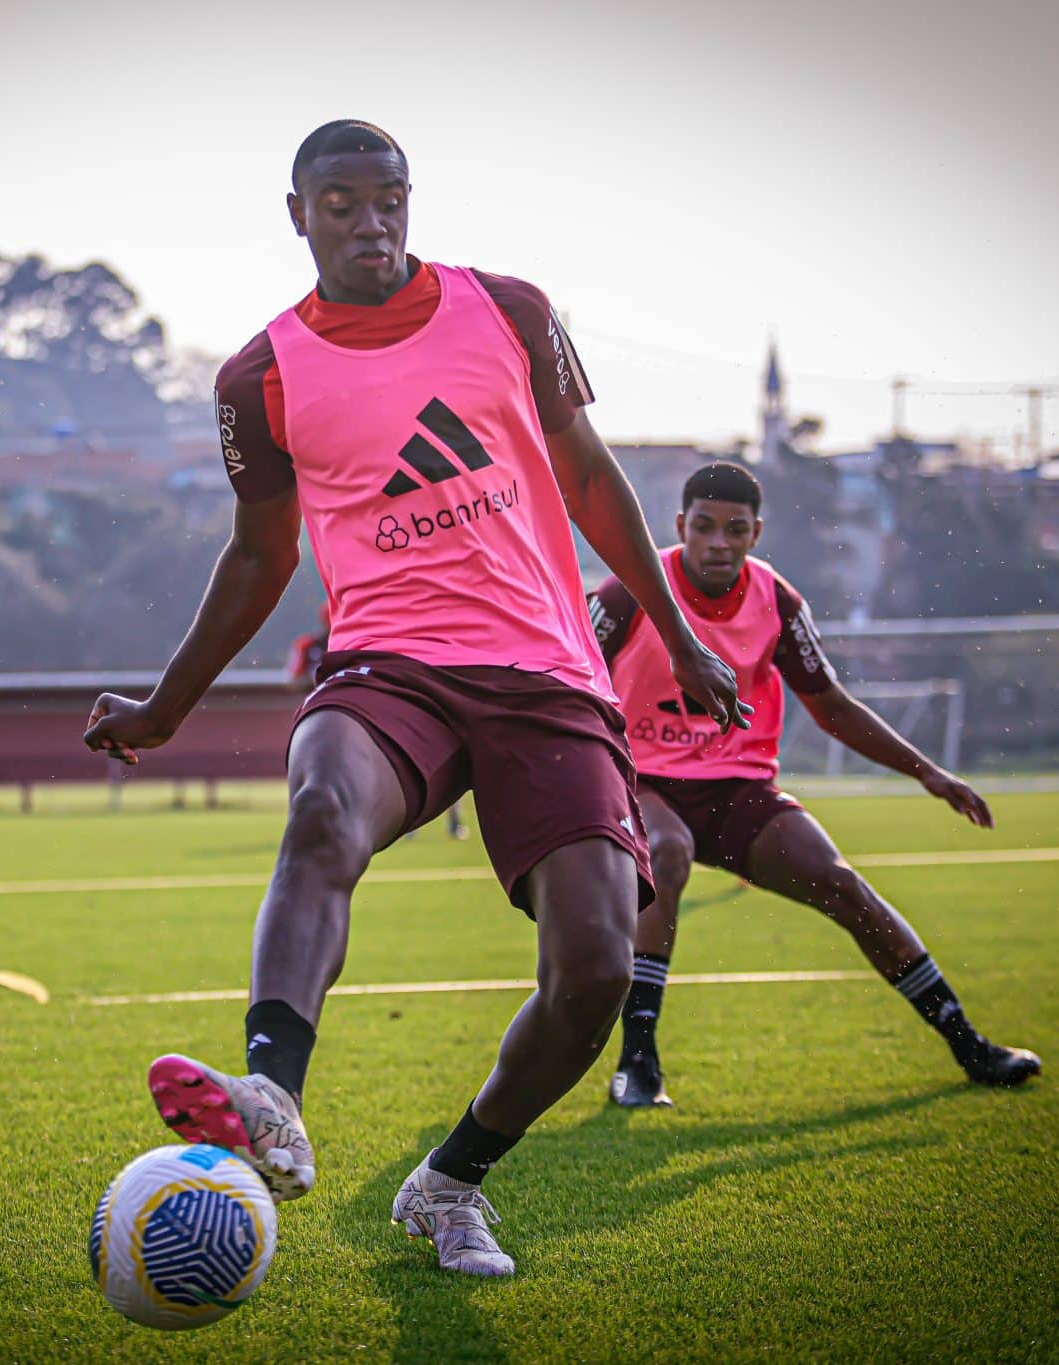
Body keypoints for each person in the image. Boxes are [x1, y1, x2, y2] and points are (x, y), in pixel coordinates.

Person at [83, 120, 745, 1277]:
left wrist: (677, 634)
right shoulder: (260, 377)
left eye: (387, 197)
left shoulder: (511, 311)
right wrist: (164, 706)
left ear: (408, 200)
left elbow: (588, 476)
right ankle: (270, 1094)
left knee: (594, 964)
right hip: (388, 664)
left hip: (544, 672)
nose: (369, 220)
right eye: (339, 201)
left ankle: (448, 1184)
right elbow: (256, 556)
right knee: (322, 813)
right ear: (298, 214)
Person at [588, 461, 1040, 1108]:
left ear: (755, 532)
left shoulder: (776, 600)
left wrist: (927, 771)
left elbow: (832, 706)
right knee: (668, 851)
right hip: (644, 779)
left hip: (738, 790)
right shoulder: (630, 587)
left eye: (735, 529)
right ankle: (638, 1061)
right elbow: (570, 672)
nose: (719, 541)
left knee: (841, 882)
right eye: (706, 526)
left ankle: (968, 1042)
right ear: (681, 524)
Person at [287, 600, 467, 840]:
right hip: (325, 716)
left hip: (367, 712)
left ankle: (445, 820)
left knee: (410, 763)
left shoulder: (369, 641)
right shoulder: (312, 646)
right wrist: (321, 679)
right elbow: (293, 680)